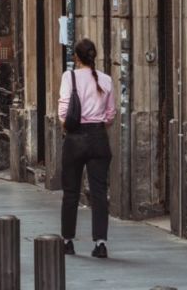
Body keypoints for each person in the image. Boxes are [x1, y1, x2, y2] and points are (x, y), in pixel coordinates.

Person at [59, 38, 117, 258]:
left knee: (71, 192)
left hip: (75, 137)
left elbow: (63, 111)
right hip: (98, 136)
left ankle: (67, 241)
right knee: (100, 192)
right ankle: (100, 243)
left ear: (76, 56)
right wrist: (99, 124)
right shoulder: (106, 79)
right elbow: (111, 114)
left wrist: (69, 127)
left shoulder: (69, 76)